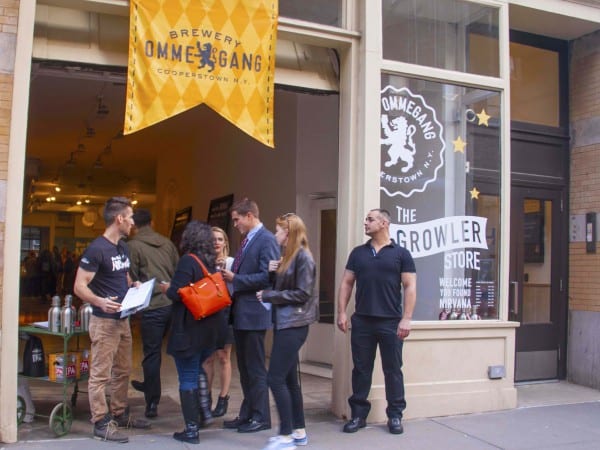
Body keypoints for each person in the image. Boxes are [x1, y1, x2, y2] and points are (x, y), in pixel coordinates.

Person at [73, 197, 150, 443]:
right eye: (130, 217)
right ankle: (100, 422)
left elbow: (122, 276)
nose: (133, 222)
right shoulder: (97, 249)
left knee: (123, 370)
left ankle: (119, 413)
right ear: (119, 219)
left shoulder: (123, 248)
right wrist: (99, 301)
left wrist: (133, 285)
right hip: (104, 321)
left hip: (123, 318)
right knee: (100, 374)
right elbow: (79, 286)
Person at [337, 208, 416, 435]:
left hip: (391, 322)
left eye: (370, 219)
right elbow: (346, 283)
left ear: (384, 223)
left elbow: (410, 286)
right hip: (362, 321)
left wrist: (406, 318)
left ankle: (395, 416)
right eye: (366, 219)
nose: (366, 223)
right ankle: (358, 416)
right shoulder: (358, 253)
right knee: (361, 370)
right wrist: (342, 312)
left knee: (393, 370)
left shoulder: (401, 254)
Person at [257, 213, 319, 450]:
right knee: (290, 379)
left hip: (294, 324)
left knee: (275, 378)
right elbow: (289, 287)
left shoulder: (303, 257)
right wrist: (274, 273)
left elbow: (302, 293)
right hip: (287, 323)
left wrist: (269, 295)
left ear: (289, 233)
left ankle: (285, 436)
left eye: (279, 230)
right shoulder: (290, 256)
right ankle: (298, 431)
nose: (276, 234)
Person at [163, 220, 226, 444]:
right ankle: (203, 413)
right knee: (198, 369)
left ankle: (191, 429)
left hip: (189, 330)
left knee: (187, 377)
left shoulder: (188, 261)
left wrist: (167, 288)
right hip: (208, 330)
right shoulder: (209, 262)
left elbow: (176, 293)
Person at [221, 198, 280, 433]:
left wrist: (235, 279)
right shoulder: (247, 239)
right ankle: (247, 413)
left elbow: (268, 277)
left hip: (254, 312)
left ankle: (261, 416)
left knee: (255, 367)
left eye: (237, 220)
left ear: (249, 216)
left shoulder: (266, 239)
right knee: (244, 368)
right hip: (241, 312)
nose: (235, 224)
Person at [128, 208, 179, 418]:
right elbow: (177, 270)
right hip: (172, 304)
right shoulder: (168, 243)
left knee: (151, 354)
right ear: (153, 222)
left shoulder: (133, 246)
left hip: (152, 306)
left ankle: (152, 402)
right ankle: (151, 385)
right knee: (178, 353)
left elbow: (131, 277)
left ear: (134, 225)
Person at [202, 226, 234, 418]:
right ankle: (206, 398)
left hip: (225, 313)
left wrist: (225, 271)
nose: (216, 242)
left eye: (220, 239)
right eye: (213, 239)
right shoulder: (203, 263)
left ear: (225, 243)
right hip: (208, 313)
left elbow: (235, 288)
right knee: (207, 358)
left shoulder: (231, 262)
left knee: (224, 357)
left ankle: (223, 397)